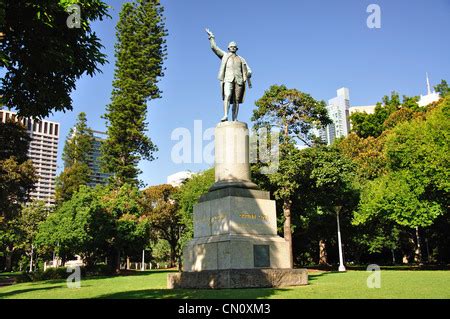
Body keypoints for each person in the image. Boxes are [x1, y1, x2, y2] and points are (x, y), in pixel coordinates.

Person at [206, 28, 252, 122]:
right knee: (227, 95)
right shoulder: (225, 55)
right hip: (228, 79)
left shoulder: (241, 59)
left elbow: (248, 69)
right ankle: (225, 115)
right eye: (231, 46)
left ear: (237, 48)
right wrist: (211, 37)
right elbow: (214, 48)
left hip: (239, 80)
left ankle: (235, 118)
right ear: (228, 48)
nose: (233, 48)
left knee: (236, 100)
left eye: (234, 47)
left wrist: (249, 73)